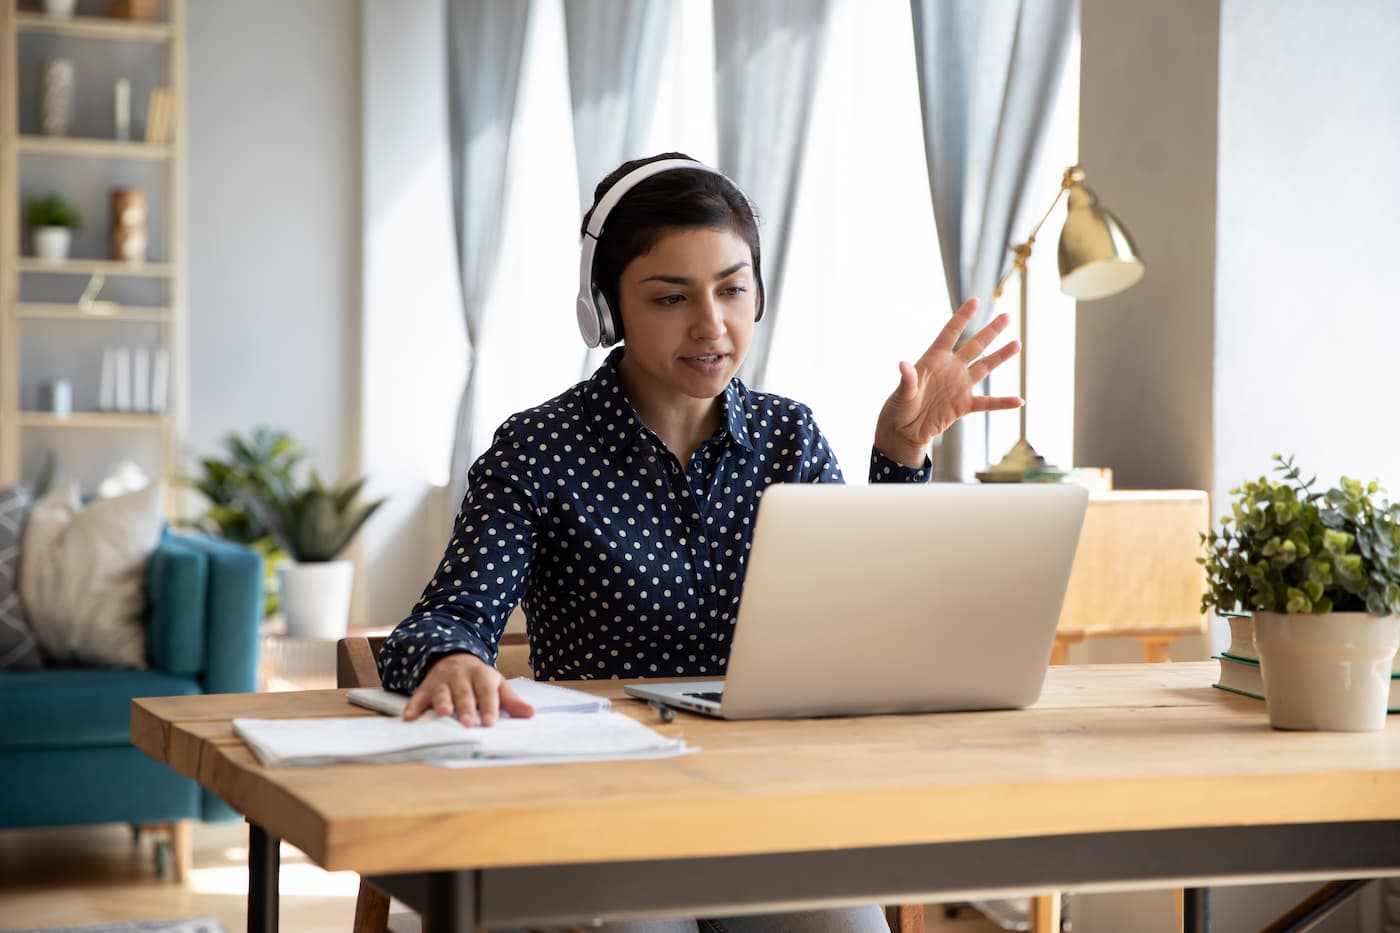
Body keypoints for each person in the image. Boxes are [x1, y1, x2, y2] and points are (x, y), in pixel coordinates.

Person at [376, 152, 1021, 933]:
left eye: (732, 288)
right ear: (607, 310)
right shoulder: (538, 448)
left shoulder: (790, 436)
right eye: (670, 297)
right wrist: (452, 659)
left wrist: (901, 456)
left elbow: (866, 622)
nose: (712, 325)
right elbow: (442, 621)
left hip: (770, 808)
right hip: (603, 814)